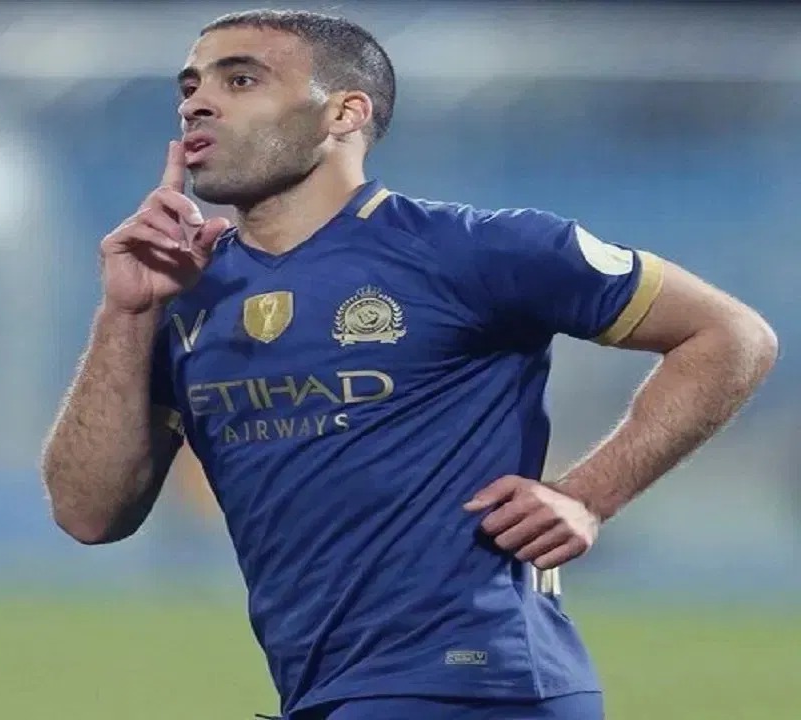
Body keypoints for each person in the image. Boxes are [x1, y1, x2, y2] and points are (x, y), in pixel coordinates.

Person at [39, 9, 778, 720]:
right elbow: (88, 514)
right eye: (190, 85)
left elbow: (731, 335)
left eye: (240, 80)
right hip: (327, 691)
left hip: (473, 682)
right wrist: (125, 314)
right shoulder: (183, 294)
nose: (196, 103)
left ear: (344, 113)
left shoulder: (475, 250)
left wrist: (589, 494)